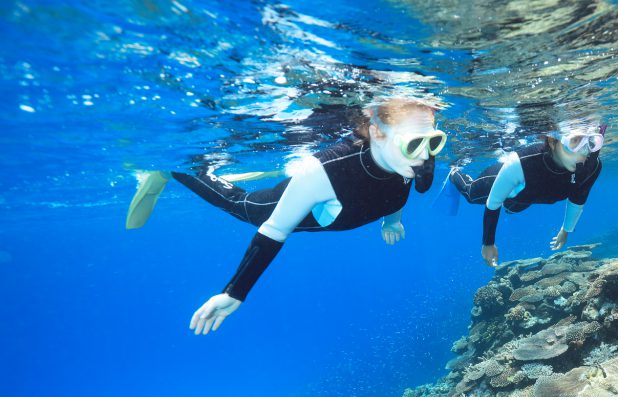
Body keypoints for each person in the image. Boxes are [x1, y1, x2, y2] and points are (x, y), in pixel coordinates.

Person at [125, 97, 446, 335]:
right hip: (305, 200)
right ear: (376, 132)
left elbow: (403, 186)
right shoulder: (322, 171)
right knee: (243, 206)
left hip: (342, 207)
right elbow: (275, 230)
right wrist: (234, 291)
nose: (424, 154)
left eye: (434, 142)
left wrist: (393, 220)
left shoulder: (415, 156)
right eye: (414, 144)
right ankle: (180, 169)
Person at [443, 120, 605, 267]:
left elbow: (578, 199)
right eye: (575, 141)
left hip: (525, 197)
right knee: (471, 195)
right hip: (501, 179)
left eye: (591, 142)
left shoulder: (592, 167)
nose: (583, 153)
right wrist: (488, 243)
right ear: (552, 141)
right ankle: (454, 172)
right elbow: (493, 203)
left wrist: (566, 230)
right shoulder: (521, 163)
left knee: (513, 208)